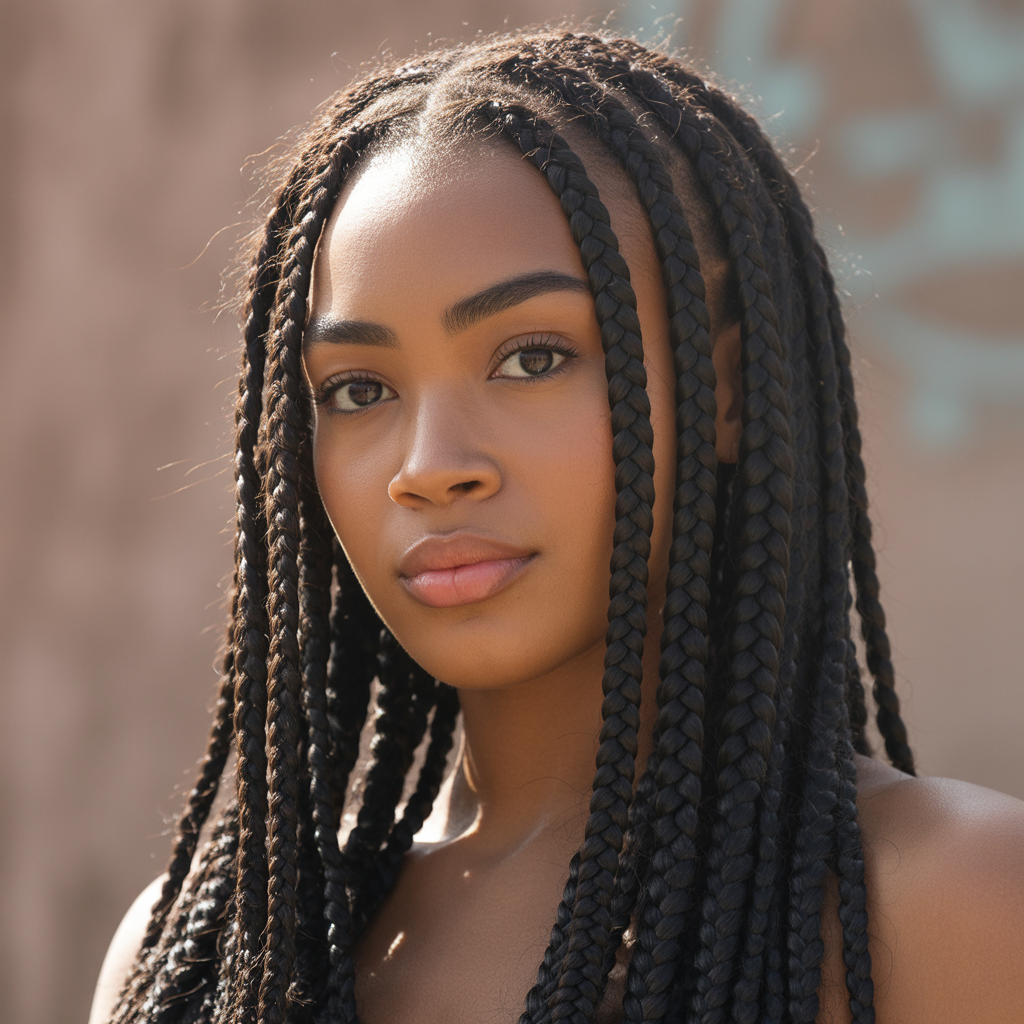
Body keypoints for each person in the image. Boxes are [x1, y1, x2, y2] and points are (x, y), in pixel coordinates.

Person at [89, 29, 1024, 1024]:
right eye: (359, 389)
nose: (429, 467)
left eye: (531, 359)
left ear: (724, 388)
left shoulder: (951, 902)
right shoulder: (202, 954)